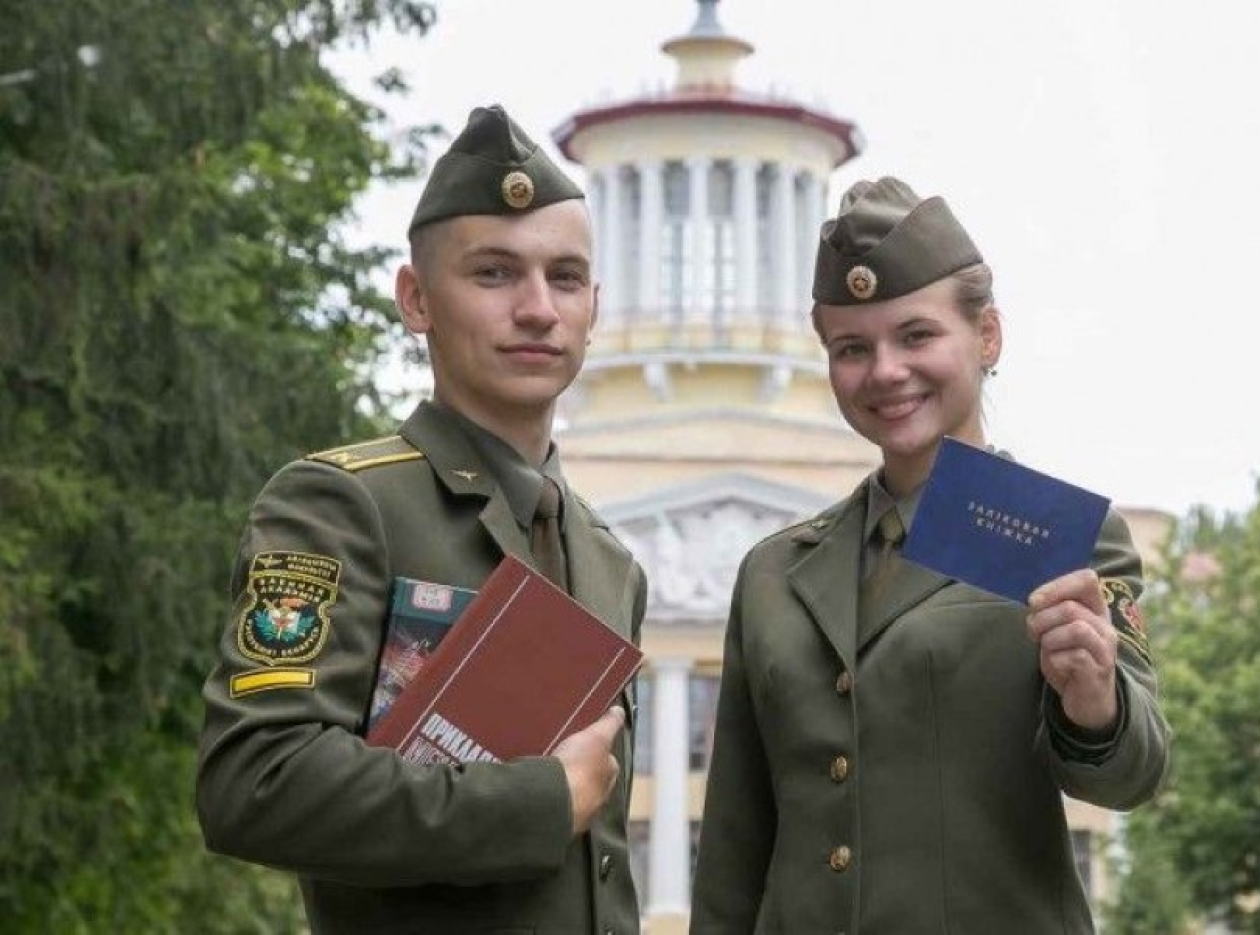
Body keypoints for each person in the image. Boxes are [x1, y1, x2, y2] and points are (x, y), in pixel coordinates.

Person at [196, 104, 648, 935]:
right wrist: (538, 801)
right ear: (416, 298)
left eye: (567, 277)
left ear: (594, 308)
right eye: (494, 274)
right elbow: (254, 780)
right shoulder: (341, 506)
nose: (539, 308)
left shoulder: (610, 560)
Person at [690, 177, 1170, 934]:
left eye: (916, 335)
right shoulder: (775, 573)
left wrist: (1094, 701)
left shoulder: (1059, 536)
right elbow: (734, 847)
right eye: (853, 348)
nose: (884, 370)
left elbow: (1133, 774)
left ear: (987, 337)